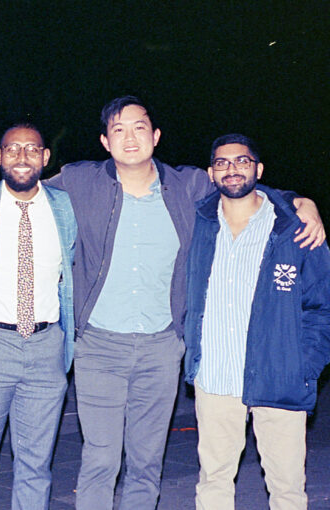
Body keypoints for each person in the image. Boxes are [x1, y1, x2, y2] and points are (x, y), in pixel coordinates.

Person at [43, 96, 324, 510]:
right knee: (100, 460)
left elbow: (241, 183)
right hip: (100, 347)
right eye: (118, 129)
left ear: (155, 136)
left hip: (162, 348)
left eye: (139, 126)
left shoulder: (188, 186)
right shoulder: (80, 181)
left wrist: (300, 202)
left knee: (146, 464)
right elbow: (23, 189)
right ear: (105, 141)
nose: (130, 137)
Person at [183, 134, 330, 510]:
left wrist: (304, 366)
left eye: (242, 161)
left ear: (258, 169)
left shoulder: (296, 229)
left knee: (287, 489)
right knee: (213, 481)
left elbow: (321, 307)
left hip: (279, 377)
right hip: (215, 377)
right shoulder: (198, 224)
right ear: (210, 173)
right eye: (222, 163)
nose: (232, 169)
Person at [0, 124, 77, 509]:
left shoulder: (65, 206)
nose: (22, 157)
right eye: (12, 149)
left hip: (46, 347)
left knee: (36, 465)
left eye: (31, 149)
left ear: (44, 157)